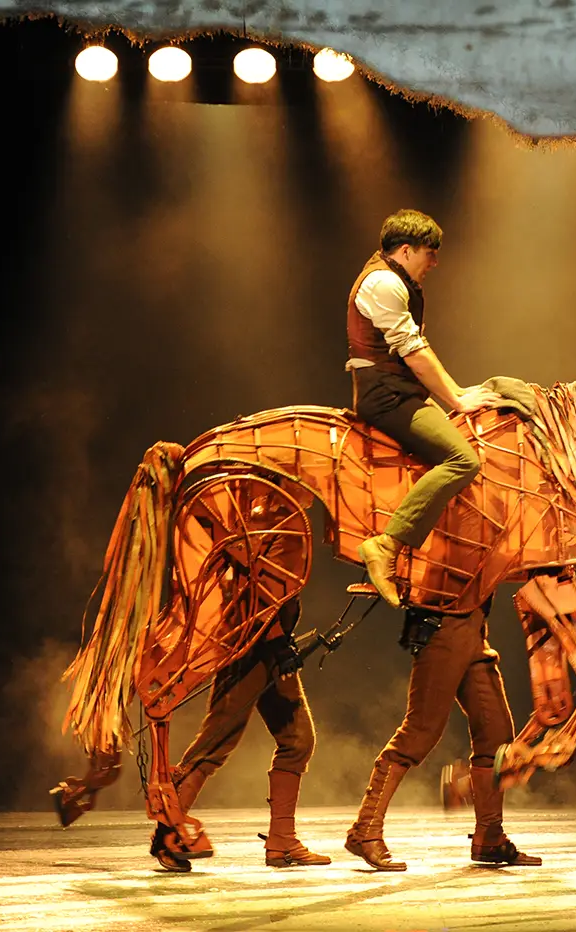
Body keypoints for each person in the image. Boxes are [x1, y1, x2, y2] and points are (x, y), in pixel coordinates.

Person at [52, 598, 331, 872]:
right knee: (215, 743)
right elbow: (255, 588)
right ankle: (169, 834)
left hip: (271, 645)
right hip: (250, 645)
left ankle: (282, 841)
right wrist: (276, 640)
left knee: (298, 741)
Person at [346, 209, 500, 608]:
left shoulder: (400, 282)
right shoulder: (382, 283)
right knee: (463, 460)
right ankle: (387, 545)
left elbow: (421, 353)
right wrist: (456, 400)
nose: (434, 262)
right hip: (385, 396)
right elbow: (414, 353)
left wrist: (457, 393)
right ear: (406, 249)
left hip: (402, 391)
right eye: (430, 253)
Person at [344, 598, 542, 870]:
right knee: (420, 731)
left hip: (474, 631)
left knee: (496, 736)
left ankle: (490, 836)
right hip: (442, 628)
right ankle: (365, 830)